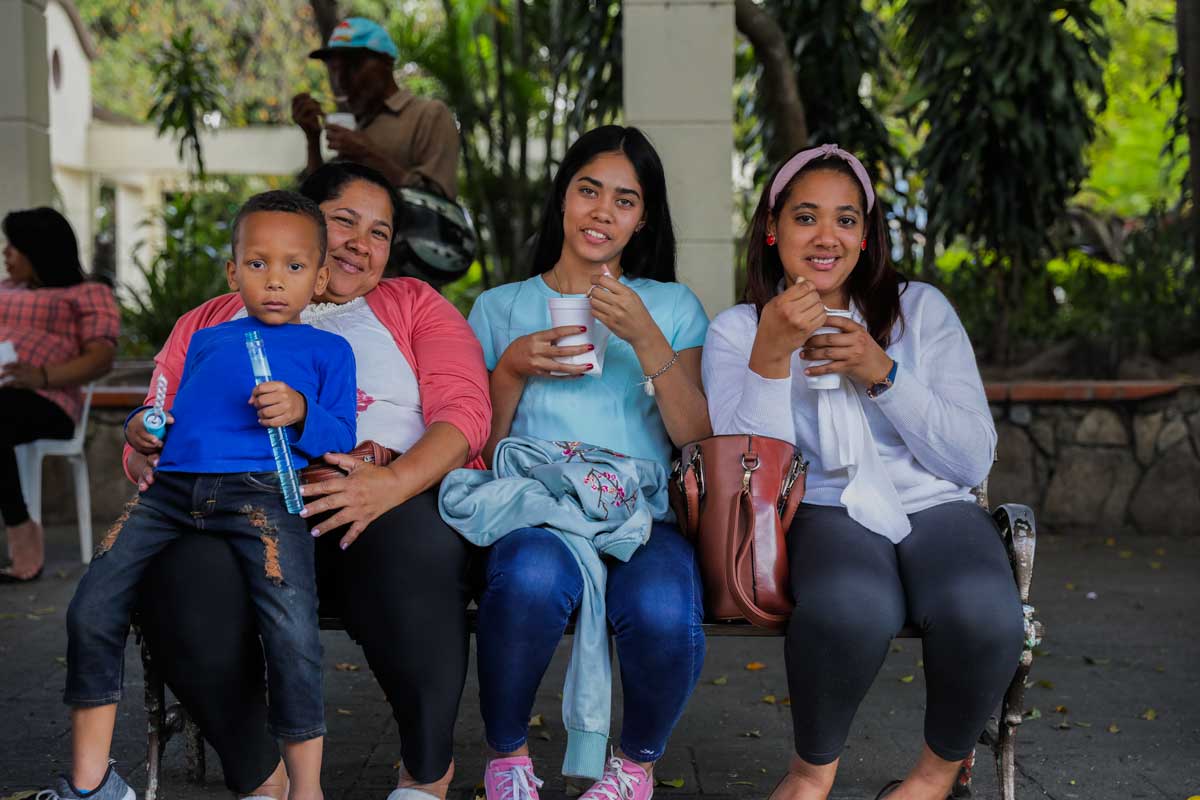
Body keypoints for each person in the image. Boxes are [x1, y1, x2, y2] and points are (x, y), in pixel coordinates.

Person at [124, 161, 491, 800]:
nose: (361, 242)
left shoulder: (411, 304)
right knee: (169, 571)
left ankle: (426, 774)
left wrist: (394, 481)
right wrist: (150, 447)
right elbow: (154, 422)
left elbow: (465, 414)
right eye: (344, 220)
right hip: (238, 503)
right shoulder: (211, 319)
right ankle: (260, 775)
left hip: (381, 495)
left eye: (380, 232)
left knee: (416, 549)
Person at [701, 144, 1025, 800]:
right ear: (773, 227)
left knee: (984, 610)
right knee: (853, 605)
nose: (827, 237)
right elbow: (751, 481)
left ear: (866, 235)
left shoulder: (921, 311)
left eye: (846, 220)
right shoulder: (738, 329)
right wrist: (770, 353)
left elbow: (969, 459)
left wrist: (883, 372)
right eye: (806, 217)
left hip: (934, 503)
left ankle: (931, 781)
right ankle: (809, 775)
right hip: (822, 505)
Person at [46, 191, 357, 800]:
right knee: (91, 606)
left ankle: (307, 788)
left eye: (294, 267)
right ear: (233, 270)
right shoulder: (210, 339)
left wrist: (299, 410)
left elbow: (340, 437)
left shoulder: (329, 350)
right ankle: (91, 785)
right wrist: (144, 425)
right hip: (170, 494)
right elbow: (168, 414)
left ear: (320, 278)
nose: (275, 281)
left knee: (292, 632)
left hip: (263, 498)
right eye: (258, 263)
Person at [466, 125, 711, 800]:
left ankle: (634, 769)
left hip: (642, 513)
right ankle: (506, 759)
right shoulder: (498, 308)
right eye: (588, 190)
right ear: (563, 199)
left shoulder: (671, 306)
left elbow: (697, 436)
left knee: (663, 607)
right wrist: (512, 367)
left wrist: (645, 335)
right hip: (536, 508)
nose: (602, 211)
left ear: (643, 219)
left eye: (625, 200)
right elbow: (478, 451)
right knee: (528, 581)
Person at [1, 208, 119, 583]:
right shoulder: (5, 290)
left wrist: (42, 376)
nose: (6, 254)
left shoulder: (87, 293)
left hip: (48, 401)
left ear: (37, 250)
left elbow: (101, 358)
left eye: (13, 247)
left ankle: (22, 532)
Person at [292, 17, 460, 200]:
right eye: (334, 69)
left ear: (387, 61)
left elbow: (438, 205)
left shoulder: (428, 114)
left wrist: (368, 154)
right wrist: (312, 140)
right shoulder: (353, 127)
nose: (341, 80)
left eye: (353, 65)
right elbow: (316, 205)